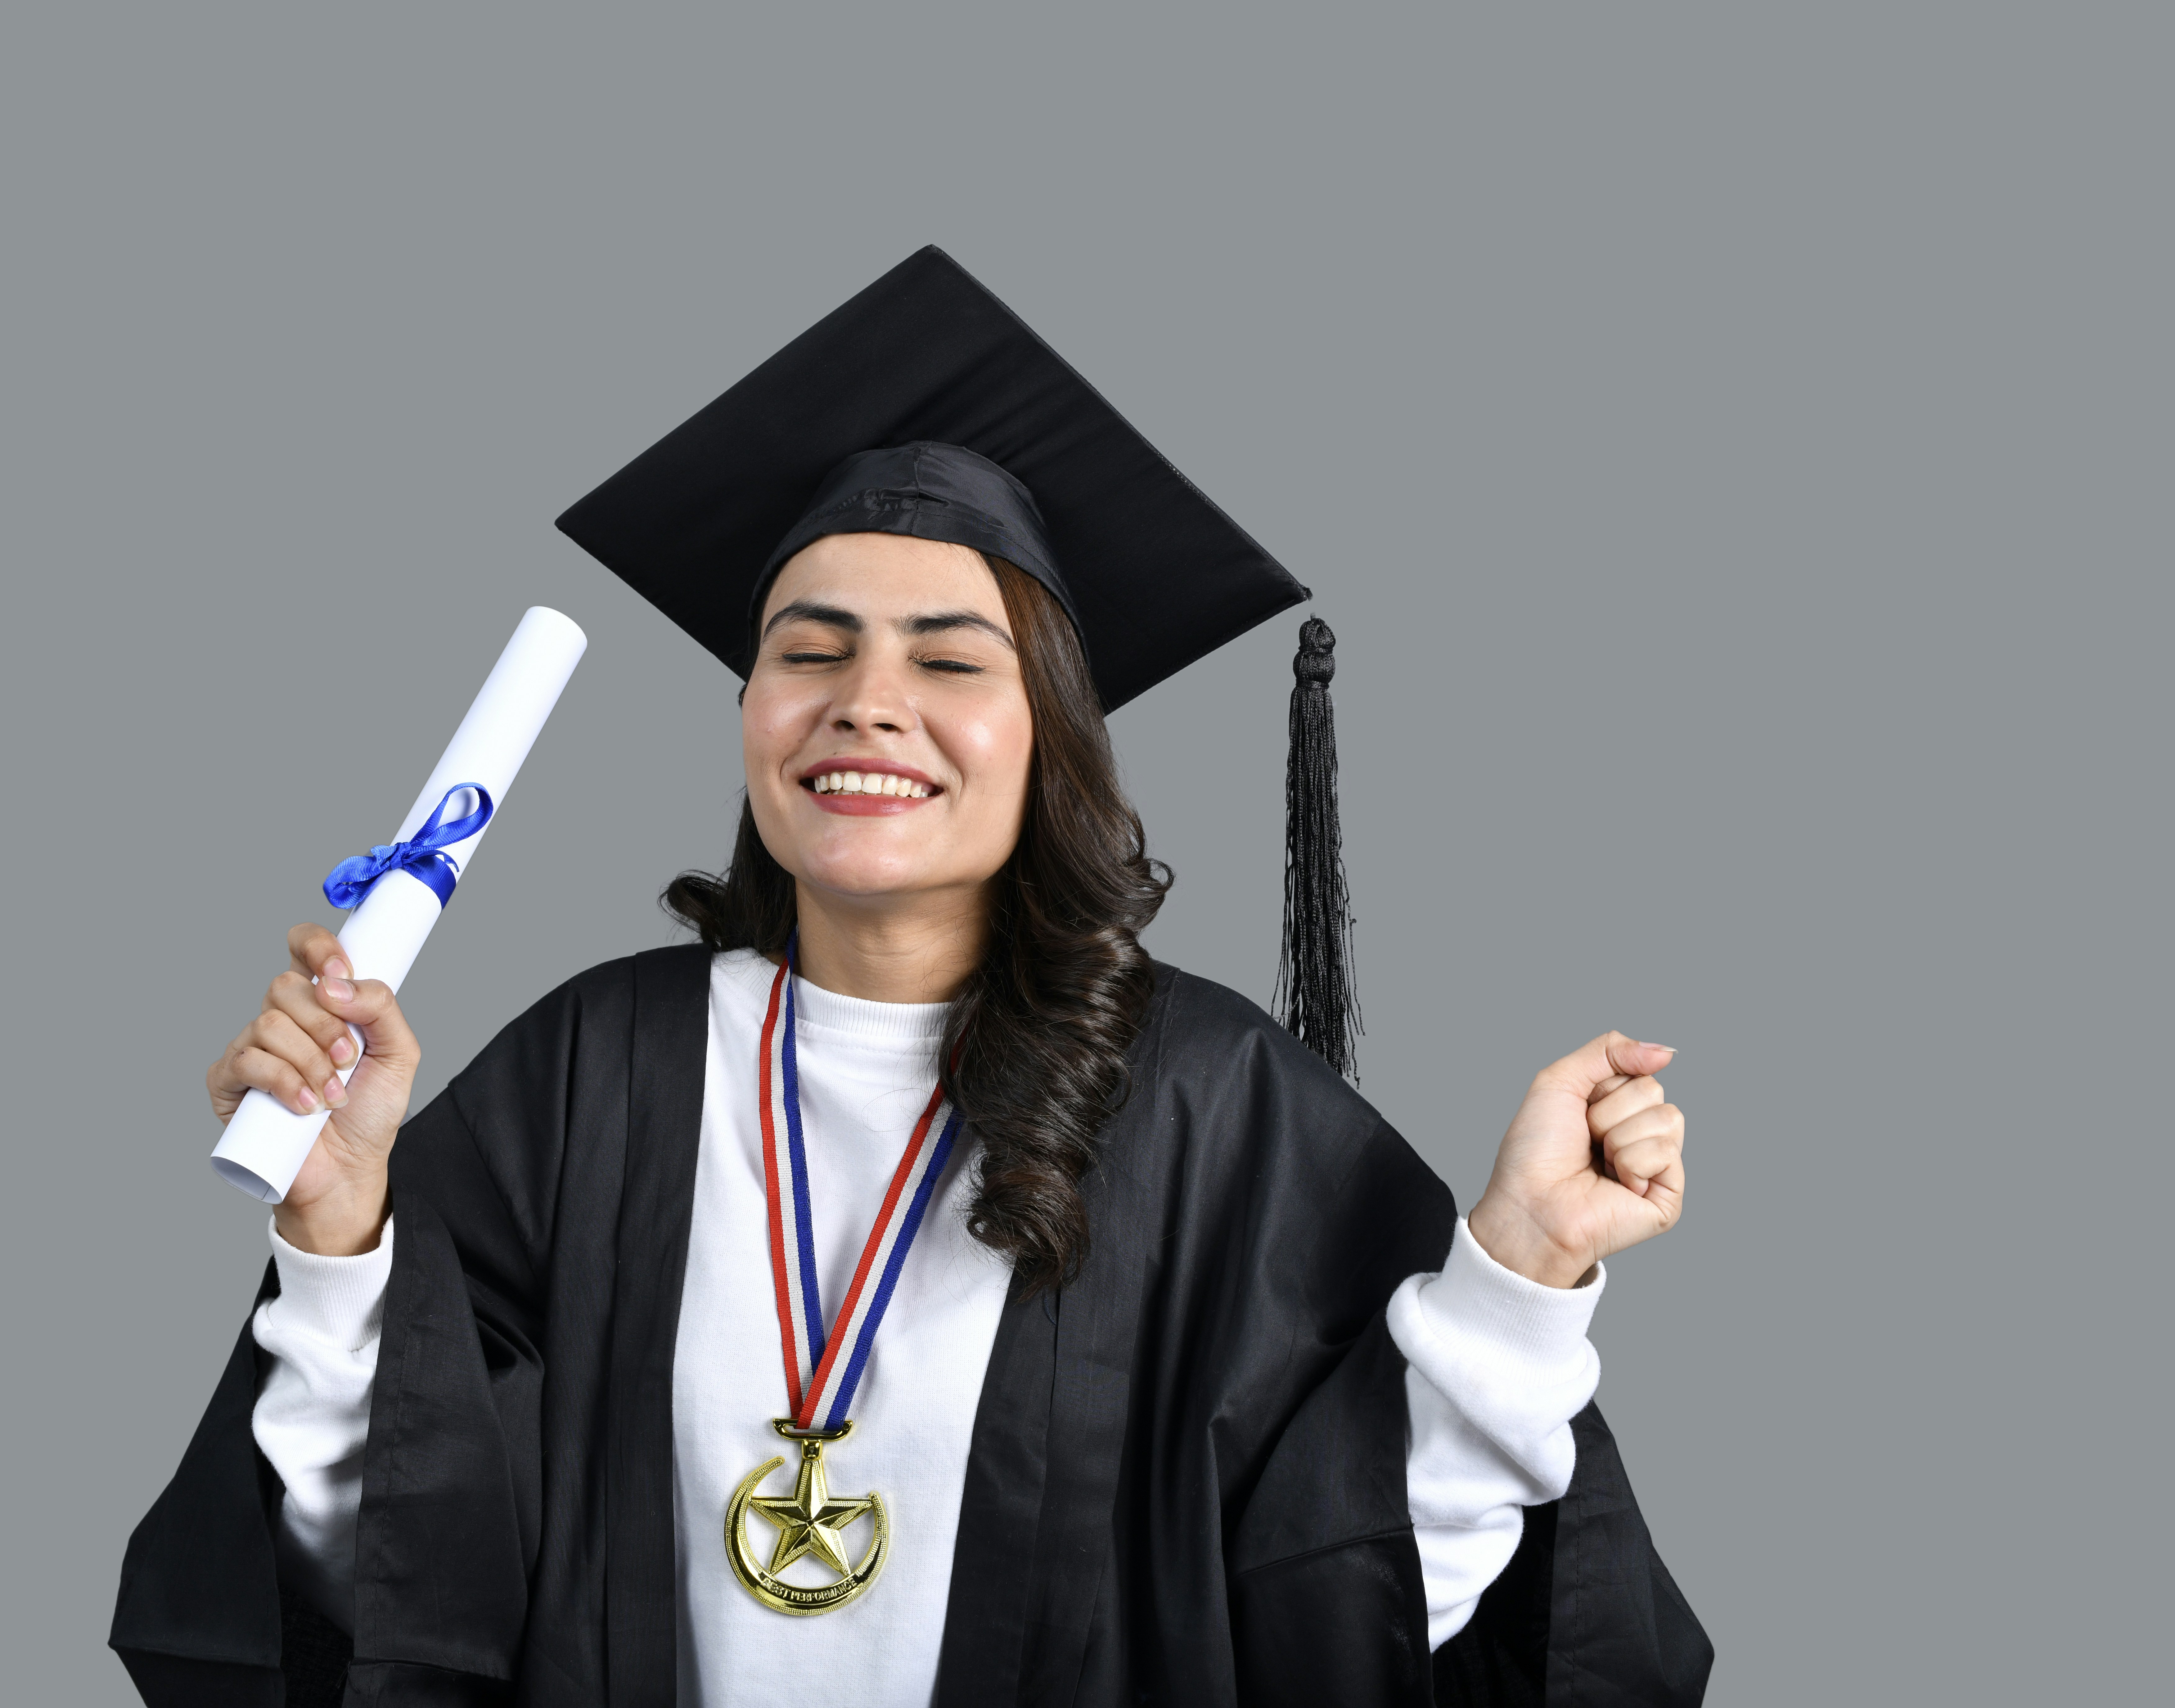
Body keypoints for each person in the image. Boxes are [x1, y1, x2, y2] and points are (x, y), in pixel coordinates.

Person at [111, 248, 1711, 1707]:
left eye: (951, 661)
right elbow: (390, 1587)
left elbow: (1352, 1612)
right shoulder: (588, 1071)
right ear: (750, 712)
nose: (868, 703)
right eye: (809, 651)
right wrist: (337, 1235)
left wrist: (1516, 1275)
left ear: (1048, 740)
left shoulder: (1210, 1102)